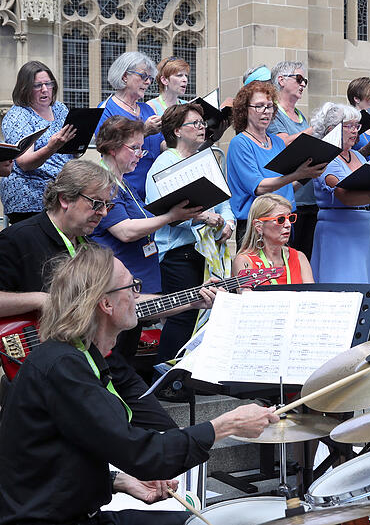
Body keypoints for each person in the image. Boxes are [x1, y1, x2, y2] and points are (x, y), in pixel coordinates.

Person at [0, 245, 278, 525]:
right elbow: (142, 454)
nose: (137, 296)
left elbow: (56, 456)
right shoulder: (64, 367)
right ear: (106, 304)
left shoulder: (72, 356)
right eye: (132, 288)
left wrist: (118, 481)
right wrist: (225, 426)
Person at [0, 159, 214, 431]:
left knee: (167, 433)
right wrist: (41, 300)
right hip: (52, 369)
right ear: (65, 199)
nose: (103, 213)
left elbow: (125, 301)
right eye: (96, 204)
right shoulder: (18, 238)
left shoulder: (91, 249)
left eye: (108, 206)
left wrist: (192, 299)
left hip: (103, 361)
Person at [92, 117, 203, 361]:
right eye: (134, 148)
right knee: (117, 360)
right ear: (112, 147)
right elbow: (125, 231)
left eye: (142, 148)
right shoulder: (104, 183)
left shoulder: (124, 182)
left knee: (128, 357)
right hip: (118, 290)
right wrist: (170, 216)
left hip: (138, 287)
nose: (140, 154)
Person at [145, 103, 235, 363]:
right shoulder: (164, 165)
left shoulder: (204, 160)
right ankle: (168, 378)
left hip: (205, 249)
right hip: (177, 250)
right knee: (181, 315)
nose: (202, 128)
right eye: (194, 124)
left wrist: (228, 222)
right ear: (176, 131)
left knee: (204, 313)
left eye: (202, 123)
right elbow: (162, 211)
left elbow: (225, 200)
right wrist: (205, 217)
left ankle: (192, 374)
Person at [310, 102, 370, 283]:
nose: (355, 131)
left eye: (357, 126)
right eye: (349, 126)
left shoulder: (359, 156)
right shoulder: (326, 160)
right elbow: (344, 195)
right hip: (337, 230)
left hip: (363, 227)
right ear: (332, 129)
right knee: (341, 284)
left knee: (366, 284)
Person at [226, 80, 326, 241]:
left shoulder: (277, 142)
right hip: (257, 225)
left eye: (270, 106)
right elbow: (259, 187)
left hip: (285, 219)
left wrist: (309, 172)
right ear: (244, 110)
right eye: (259, 106)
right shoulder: (240, 143)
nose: (266, 111)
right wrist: (297, 174)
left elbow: (286, 187)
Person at [0, 61, 76, 225]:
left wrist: (77, 144)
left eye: (48, 84)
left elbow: (69, 150)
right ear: (24, 88)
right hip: (31, 191)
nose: (44, 89)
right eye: (37, 85)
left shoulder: (60, 108)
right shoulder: (18, 116)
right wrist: (51, 147)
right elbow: (25, 163)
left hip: (63, 185)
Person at [269, 61, 319, 258]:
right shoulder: (273, 113)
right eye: (299, 79)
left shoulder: (300, 115)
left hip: (310, 197)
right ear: (281, 80)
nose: (303, 84)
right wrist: (316, 129)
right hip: (291, 201)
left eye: (305, 80)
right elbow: (282, 144)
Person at [97, 51, 163, 200]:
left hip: (154, 188)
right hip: (125, 189)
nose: (148, 82)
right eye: (143, 76)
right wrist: (145, 130)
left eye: (150, 79)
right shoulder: (106, 109)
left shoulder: (147, 109)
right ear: (124, 76)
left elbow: (161, 146)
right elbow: (107, 147)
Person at [232, 194, 314, 285]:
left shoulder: (299, 257)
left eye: (290, 218)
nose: (288, 225)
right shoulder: (244, 261)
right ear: (258, 226)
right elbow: (246, 296)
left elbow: (311, 296)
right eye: (281, 219)